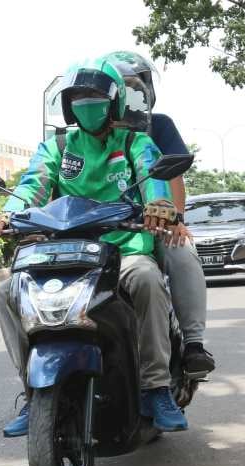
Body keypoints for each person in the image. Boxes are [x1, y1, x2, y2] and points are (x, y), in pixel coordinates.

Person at [0, 57, 189, 437]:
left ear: (113, 101)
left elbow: (151, 175)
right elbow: (34, 183)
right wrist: (9, 212)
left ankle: (156, 388)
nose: (85, 102)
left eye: (94, 95)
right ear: (67, 105)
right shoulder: (58, 146)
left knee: (146, 278)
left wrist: (159, 204)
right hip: (67, 250)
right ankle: (32, 392)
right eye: (78, 97)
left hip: (124, 245)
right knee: (4, 294)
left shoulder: (135, 141)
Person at [103, 51, 214, 373]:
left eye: (132, 86)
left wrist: (175, 219)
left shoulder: (157, 126)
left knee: (182, 252)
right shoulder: (77, 138)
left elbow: (172, 174)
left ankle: (194, 344)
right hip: (96, 230)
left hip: (150, 225)